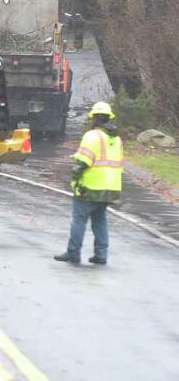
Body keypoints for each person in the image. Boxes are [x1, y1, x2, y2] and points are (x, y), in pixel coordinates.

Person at [54, 101, 123, 265]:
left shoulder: (92, 136)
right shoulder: (116, 139)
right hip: (110, 187)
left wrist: (74, 178)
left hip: (90, 186)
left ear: (95, 118)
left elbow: (83, 162)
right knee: (100, 221)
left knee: (79, 220)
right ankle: (101, 254)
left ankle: (73, 253)